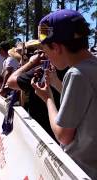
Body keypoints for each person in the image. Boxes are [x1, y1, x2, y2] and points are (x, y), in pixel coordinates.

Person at [32, 9, 97, 178]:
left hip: (81, 171)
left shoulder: (77, 74)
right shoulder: (92, 68)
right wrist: (55, 83)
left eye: (45, 50)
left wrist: (47, 98)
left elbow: (63, 136)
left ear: (56, 47)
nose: (46, 56)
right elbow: (88, 104)